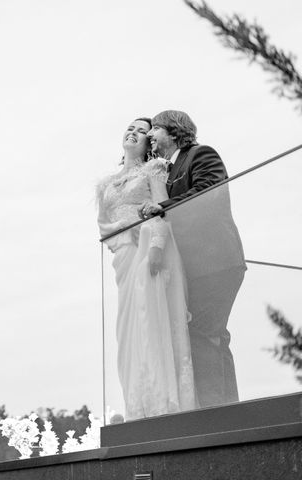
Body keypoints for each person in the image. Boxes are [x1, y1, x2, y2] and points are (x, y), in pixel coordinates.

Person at [140, 110, 246, 407]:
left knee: (203, 334)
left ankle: (215, 413)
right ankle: (228, 409)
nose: (150, 135)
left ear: (173, 131)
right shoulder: (166, 171)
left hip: (216, 261)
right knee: (213, 335)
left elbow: (209, 191)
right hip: (194, 267)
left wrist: (162, 207)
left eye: (155, 129)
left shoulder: (201, 154)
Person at [97, 117, 196, 421]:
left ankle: (162, 404)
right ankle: (136, 407)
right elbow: (103, 227)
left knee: (150, 321)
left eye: (142, 131)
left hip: (149, 252)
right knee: (127, 330)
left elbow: (163, 209)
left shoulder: (154, 170)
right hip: (123, 257)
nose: (134, 132)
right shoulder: (105, 185)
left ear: (149, 142)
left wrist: (156, 245)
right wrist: (124, 227)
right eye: (130, 128)